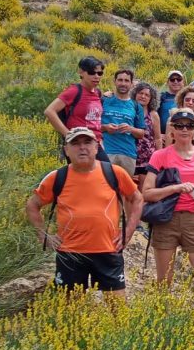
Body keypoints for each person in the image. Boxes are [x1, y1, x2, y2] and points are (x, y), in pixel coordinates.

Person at [25, 127, 143, 299]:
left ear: (96, 147)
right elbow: (32, 205)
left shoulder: (114, 173)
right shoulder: (57, 177)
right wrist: (43, 235)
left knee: (118, 310)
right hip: (70, 253)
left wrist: (129, 231)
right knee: (70, 310)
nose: (82, 147)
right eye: (75, 143)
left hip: (108, 250)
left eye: (87, 142)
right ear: (66, 150)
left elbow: (137, 198)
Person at [142, 108, 194, 309]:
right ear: (172, 131)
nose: (184, 129)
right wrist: (176, 188)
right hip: (167, 219)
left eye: (189, 125)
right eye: (179, 125)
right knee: (164, 282)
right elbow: (147, 192)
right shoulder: (160, 156)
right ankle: (163, 330)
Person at [43, 56, 109, 162]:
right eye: (92, 72)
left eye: (99, 73)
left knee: (104, 174)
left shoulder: (97, 93)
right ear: (81, 72)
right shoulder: (74, 91)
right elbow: (49, 111)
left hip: (94, 144)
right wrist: (68, 135)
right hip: (78, 145)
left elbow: (94, 122)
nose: (96, 76)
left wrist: (100, 142)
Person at [101, 69, 145, 177]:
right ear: (115, 81)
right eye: (120, 80)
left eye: (126, 81)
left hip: (128, 154)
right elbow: (92, 126)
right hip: (106, 153)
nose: (123, 83)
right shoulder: (103, 100)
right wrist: (106, 127)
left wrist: (130, 129)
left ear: (131, 84)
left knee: (124, 191)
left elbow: (141, 133)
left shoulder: (136, 106)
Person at [132, 81, 162, 188]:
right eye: (141, 93)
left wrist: (160, 157)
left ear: (151, 99)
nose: (143, 96)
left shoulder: (153, 115)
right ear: (135, 94)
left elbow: (158, 138)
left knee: (145, 191)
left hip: (148, 159)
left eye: (147, 95)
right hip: (131, 156)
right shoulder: (129, 111)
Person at [157, 70, 184, 137]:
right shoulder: (160, 97)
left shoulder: (187, 97)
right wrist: (158, 134)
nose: (175, 81)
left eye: (179, 79)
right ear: (168, 82)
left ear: (183, 82)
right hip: (164, 136)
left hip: (183, 135)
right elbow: (153, 116)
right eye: (172, 79)